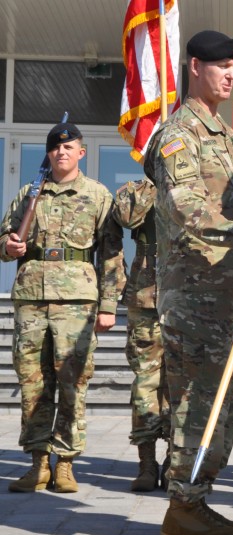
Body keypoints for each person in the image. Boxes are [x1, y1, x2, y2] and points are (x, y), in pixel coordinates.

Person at [144, 30, 233, 535]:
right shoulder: (180, 133)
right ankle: (184, 507)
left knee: (228, 401)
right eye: (220, 65)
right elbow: (186, 207)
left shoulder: (228, 136)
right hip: (195, 296)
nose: (230, 73)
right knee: (200, 401)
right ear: (194, 66)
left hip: (228, 294)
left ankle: (195, 498)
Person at [0, 122, 125, 494]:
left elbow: (111, 254)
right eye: (55, 148)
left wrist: (109, 305)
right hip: (31, 300)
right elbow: (4, 236)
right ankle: (38, 463)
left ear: (81, 153)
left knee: (73, 383)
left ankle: (66, 462)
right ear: (49, 153)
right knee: (32, 384)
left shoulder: (98, 196)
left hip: (77, 302)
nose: (61, 153)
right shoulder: (29, 193)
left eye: (69, 147)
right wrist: (9, 247)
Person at [112, 178, 171, 492]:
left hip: (188, 295)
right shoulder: (137, 189)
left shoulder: (199, 185)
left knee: (182, 384)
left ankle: (176, 460)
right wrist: (153, 184)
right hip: (146, 295)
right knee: (145, 384)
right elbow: (127, 218)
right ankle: (146, 464)